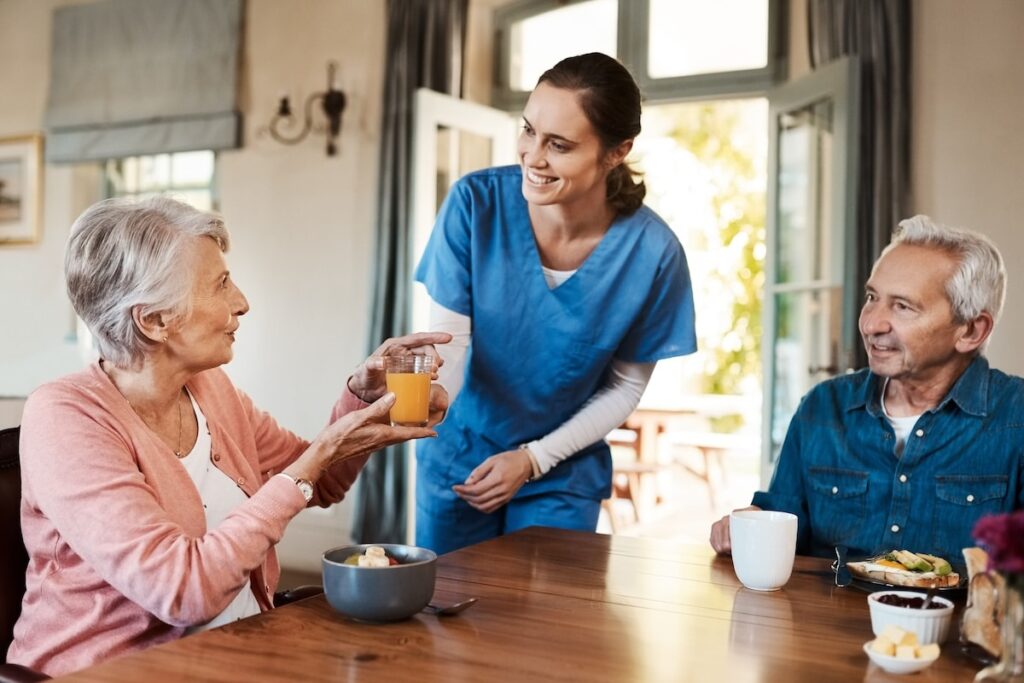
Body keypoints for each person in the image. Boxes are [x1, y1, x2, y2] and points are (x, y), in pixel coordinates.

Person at [7, 197, 450, 676]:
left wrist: (363, 402)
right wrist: (315, 460)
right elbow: (183, 592)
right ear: (154, 321)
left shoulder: (209, 389)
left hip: (239, 657)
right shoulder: (65, 417)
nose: (241, 302)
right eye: (220, 284)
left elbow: (316, 480)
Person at [414, 52, 697, 554]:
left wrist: (534, 458)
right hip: (460, 455)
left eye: (559, 145)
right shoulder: (475, 204)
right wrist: (425, 401)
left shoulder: (652, 253)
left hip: (561, 470)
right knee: (446, 598)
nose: (532, 156)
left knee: (543, 603)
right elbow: (451, 343)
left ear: (617, 151)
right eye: (528, 131)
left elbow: (625, 387)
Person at [710, 215, 1024, 561]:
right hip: (827, 599)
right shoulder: (822, 406)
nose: (871, 324)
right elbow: (783, 521)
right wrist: (749, 524)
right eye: (872, 297)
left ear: (971, 331)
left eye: (903, 306)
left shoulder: (1017, 418)